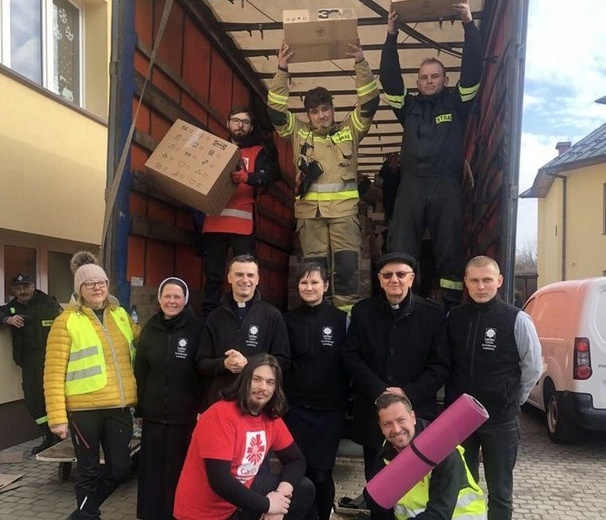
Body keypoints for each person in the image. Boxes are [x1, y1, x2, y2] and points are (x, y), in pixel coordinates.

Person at [380, 1, 483, 308]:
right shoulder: (407, 107)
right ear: (418, 82)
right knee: (400, 247)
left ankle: (452, 307)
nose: (429, 81)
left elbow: (474, 70)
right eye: (424, 77)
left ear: (445, 80)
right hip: (411, 185)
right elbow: (389, 78)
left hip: (446, 184)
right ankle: (400, 304)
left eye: (435, 76)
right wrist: (390, 35)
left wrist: (468, 24)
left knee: (450, 250)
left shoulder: (457, 102)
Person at [267, 40, 380, 314]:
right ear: (308, 114)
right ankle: (316, 326)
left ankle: (346, 325)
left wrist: (360, 63)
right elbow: (275, 112)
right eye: (315, 112)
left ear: (333, 108)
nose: (321, 116)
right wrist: (282, 69)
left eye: (325, 109)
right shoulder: (299, 132)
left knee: (346, 273)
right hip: (310, 216)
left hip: (344, 216)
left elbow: (369, 103)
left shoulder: (349, 130)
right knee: (313, 274)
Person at [445, 256, 542, 520]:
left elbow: (533, 366)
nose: (481, 286)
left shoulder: (517, 319)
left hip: (500, 420)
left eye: (487, 280)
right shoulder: (454, 317)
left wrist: (514, 398)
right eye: (474, 280)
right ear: (465, 282)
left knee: (500, 493)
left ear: (498, 281)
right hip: (460, 420)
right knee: (462, 487)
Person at [44, 251, 139, 520]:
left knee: (120, 468)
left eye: (102, 283)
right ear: (80, 290)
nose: (97, 288)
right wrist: (57, 418)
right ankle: (88, 516)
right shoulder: (66, 321)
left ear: (108, 286)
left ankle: (82, 513)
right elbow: (52, 373)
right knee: (87, 470)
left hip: (118, 408)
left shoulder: (121, 315)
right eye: (89, 284)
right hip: (84, 411)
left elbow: (143, 344)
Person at [342, 252, 449, 482]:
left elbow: (440, 365)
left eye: (401, 274)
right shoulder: (362, 312)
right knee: (376, 478)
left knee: (418, 480)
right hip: (373, 412)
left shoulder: (433, 314)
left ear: (411, 278)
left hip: (416, 411)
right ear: (379, 279)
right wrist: (380, 390)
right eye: (388, 275)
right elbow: (351, 356)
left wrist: (406, 394)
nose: (394, 279)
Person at [174, 353, 315, 520]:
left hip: (238, 502)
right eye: (257, 379)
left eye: (270, 382)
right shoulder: (220, 415)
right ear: (245, 380)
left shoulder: (270, 417)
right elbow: (220, 482)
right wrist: (268, 505)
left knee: (304, 488)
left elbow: (296, 460)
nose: (263, 387)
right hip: (202, 513)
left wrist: (281, 494)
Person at [134, 277, 204, 520]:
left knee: (179, 471)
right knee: (151, 470)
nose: (172, 301)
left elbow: (201, 371)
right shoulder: (150, 329)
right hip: (153, 415)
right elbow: (140, 371)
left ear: (185, 299)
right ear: (160, 299)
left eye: (177, 296)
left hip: (184, 416)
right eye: (167, 296)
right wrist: (140, 409)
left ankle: (178, 514)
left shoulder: (197, 329)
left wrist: (200, 407)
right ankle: (150, 514)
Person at [200, 105, 280, 318]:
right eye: (236, 120)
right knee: (213, 275)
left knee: (245, 274)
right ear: (228, 123)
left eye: (245, 122)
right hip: (214, 222)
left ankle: (248, 316)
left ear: (251, 126)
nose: (240, 125)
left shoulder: (258, 151)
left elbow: (269, 176)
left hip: (242, 225)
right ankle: (210, 317)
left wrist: (248, 178)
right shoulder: (216, 148)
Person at [283, 262, 349, 520]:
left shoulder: (341, 320)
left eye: (314, 282)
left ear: (326, 286)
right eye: (303, 283)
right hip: (295, 409)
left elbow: (349, 362)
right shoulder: (287, 320)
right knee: (298, 472)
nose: (309, 287)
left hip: (328, 412)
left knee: (322, 474)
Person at [367, 392, 486, 519]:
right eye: (387, 424)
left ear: (412, 417)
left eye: (401, 420)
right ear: (381, 427)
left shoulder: (442, 449)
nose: (396, 429)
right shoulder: (387, 449)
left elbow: (439, 513)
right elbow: (376, 502)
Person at [196, 254, 290, 407]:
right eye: (239, 274)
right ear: (229, 278)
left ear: (258, 279)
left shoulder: (272, 316)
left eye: (250, 275)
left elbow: (283, 361)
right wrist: (224, 364)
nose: (245, 280)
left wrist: (250, 363)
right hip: (221, 401)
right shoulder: (215, 317)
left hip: (257, 404)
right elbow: (201, 362)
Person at [0, 274, 63, 454]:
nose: (23, 291)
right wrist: (7, 319)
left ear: (33, 286)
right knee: (34, 400)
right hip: (28, 362)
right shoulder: (13, 307)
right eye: (18, 287)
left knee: (54, 398)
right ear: (13, 290)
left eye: (26, 286)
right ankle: (49, 436)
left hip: (51, 361)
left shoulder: (47, 302)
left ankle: (62, 436)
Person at [377, 153, 400, 223]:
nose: (393, 164)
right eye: (392, 162)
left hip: (397, 195)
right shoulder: (386, 171)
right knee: (388, 211)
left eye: (395, 162)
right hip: (388, 195)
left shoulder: (399, 172)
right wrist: (386, 164)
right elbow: (381, 173)